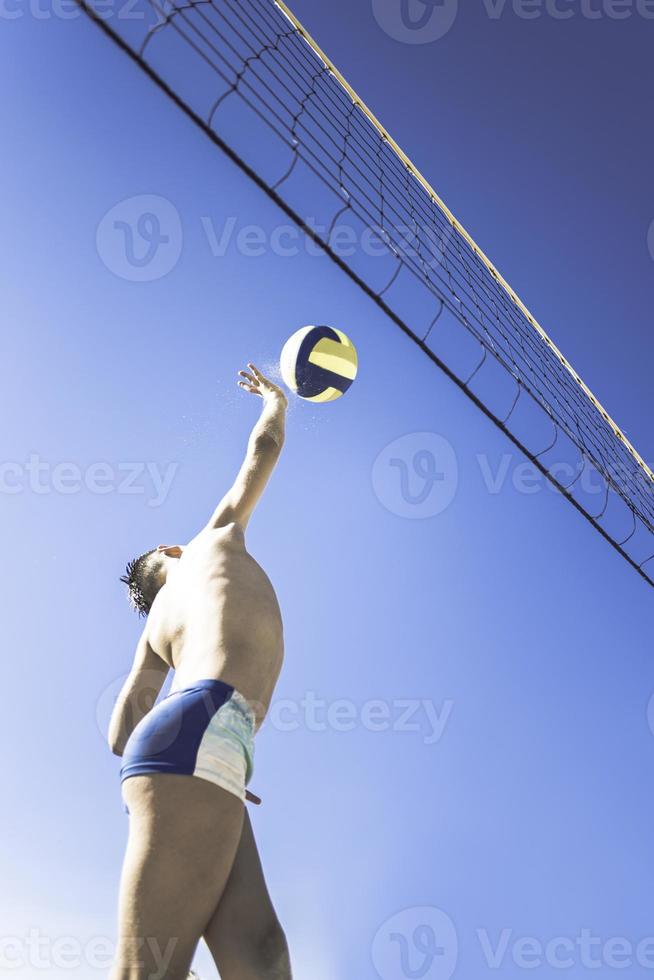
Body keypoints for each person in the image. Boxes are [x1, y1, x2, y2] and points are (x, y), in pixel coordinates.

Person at [108, 363, 292, 979]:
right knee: (150, 971)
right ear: (170, 549)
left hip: (204, 738)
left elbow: (118, 735)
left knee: (260, 955)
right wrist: (275, 400)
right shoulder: (211, 538)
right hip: (205, 729)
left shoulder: (154, 628)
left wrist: (209, 757)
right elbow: (261, 452)